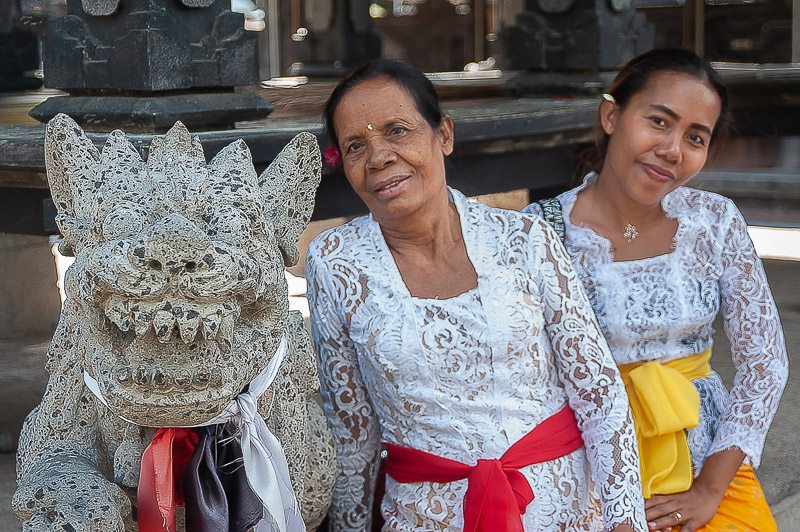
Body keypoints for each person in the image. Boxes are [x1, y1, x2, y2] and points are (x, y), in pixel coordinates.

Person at [306, 59, 647, 532]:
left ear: (444, 134)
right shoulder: (336, 261)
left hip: (561, 510)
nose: (378, 157)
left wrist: (624, 522)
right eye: (355, 145)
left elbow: (599, 394)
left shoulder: (525, 238)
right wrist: (350, 527)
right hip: (426, 517)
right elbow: (352, 427)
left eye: (398, 131)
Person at [524, 48, 788, 532]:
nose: (673, 149)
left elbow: (765, 360)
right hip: (582, 464)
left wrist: (710, 487)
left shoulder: (714, 221)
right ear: (611, 115)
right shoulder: (537, 232)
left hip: (700, 453)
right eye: (659, 121)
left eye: (695, 137)